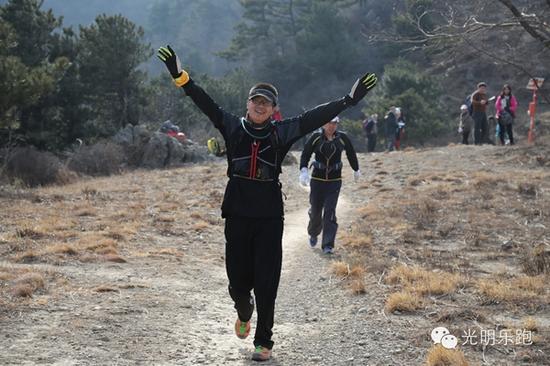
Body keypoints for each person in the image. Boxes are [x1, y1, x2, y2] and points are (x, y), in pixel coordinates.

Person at [157, 45, 377, 361]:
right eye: (255, 101)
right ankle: (243, 309)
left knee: (267, 279)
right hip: (237, 211)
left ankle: (264, 341)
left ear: (274, 109)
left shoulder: (281, 131)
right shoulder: (232, 126)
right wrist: (181, 77)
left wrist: (349, 100)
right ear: (248, 104)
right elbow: (204, 103)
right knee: (237, 281)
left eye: (266, 103)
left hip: (269, 214)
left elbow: (315, 116)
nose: (260, 106)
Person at [299, 116, 359, 254]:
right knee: (315, 211)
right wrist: (303, 170)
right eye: (329, 123)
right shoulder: (315, 137)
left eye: (335, 123)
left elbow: (351, 153)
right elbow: (306, 154)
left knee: (330, 212)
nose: (332, 126)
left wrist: (356, 169)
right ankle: (313, 232)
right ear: (323, 124)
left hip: (334, 181)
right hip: (317, 180)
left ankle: (328, 245)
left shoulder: (342, 138)